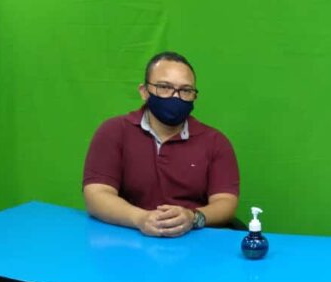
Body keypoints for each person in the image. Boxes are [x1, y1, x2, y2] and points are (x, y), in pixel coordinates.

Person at [83, 52, 240, 237]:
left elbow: (225, 202)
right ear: (144, 91)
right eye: (164, 87)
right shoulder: (113, 132)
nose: (175, 97)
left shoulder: (215, 142)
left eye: (186, 90)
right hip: (128, 237)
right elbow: (96, 193)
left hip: (194, 242)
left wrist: (193, 217)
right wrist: (140, 218)